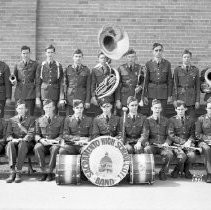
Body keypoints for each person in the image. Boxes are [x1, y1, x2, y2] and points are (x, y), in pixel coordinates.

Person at [141, 99, 173, 180]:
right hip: (153, 145)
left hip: (163, 145)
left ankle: (163, 172)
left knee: (169, 154)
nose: (157, 110)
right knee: (147, 149)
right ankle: (151, 171)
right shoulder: (147, 120)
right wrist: (146, 142)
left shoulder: (166, 120)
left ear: (161, 109)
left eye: (159, 108)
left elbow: (169, 135)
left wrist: (167, 143)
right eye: (155, 108)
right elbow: (145, 134)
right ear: (152, 108)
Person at [5, 100, 35, 183]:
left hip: (27, 143)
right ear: (16, 109)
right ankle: (12, 171)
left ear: (26, 110)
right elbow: (8, 134)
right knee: (10, 144)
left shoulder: (31, 119)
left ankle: (18, 171)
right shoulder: (12, 120)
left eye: (23, 108)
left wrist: (24, 139)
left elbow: (31, 133)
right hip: (15, 142)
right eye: (19, 108)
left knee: (22, 144)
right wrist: (12, 139)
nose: (21, 110)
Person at [34, 99, 64, 181]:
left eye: (50, 107)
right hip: (43, 142)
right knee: (37, 147)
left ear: (54, 108)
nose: (48, 109)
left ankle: (50, 172)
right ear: (44, 108)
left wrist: (56, 140)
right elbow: (36, 134)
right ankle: (43, 172)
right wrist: (41, 140)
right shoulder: (39, 119)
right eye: (46, 107)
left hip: (54, 142)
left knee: (55, 149)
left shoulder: (60, 119)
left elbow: (62, 134)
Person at [168, 100, 196, 179]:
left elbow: (193, 134)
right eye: (179, 109)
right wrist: (183, 142)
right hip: (176, 144)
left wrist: (189, 141)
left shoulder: (191, 120)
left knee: (192, 156)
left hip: (188, 144)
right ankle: (176, 170)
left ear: (186, 109)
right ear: (175, 110)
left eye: (182, 109)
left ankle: (186, 170)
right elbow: (171, 135)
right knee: (182, 156)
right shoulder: (172, 120)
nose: (180, 111)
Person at [144, 43, 173, 116]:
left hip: (163, 92)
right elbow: (145, 81)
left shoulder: (167, 63)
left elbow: (169, 80)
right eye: (156, 50)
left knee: (162, 114)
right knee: (151, 114)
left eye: (160, 50)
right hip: (152, 92)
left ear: (162, 51)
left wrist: (169, 95)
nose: (158, 52)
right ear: (153, 52)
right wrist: (145, 95)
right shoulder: (148, 64)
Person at [115, 49, 145, 115]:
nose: (131, 59)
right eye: (129, 57)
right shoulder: (121, 68)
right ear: (126, 57)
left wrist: (140, 87)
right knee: (124, 118)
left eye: (133, 57)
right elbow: (117, 85)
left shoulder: (140, 68)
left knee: (136, 117)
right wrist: (118, 100)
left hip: (136, 96)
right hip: (124, 97)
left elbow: (144, 81)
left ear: (135, 58)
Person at [36, 44, 64, 114]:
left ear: (54, 53)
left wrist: (61, 98)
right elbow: (38, 82)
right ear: (46, 53)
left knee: (54, 114)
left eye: (51, 52)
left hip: (55, 94)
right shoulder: (41, 66)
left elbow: (61, 82)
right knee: (44, 114)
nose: (50, 54)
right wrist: (37, 97)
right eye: (48, 52)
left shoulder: (58, 65)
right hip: (44, 94)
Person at [173, 49, 200, 119]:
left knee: (191, 119)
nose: (186, 59)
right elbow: (174, 86)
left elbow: (197, 87)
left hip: (191, 99)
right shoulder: (177, 70)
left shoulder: (195, 70)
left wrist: (197, 101)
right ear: (182, 58)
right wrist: (174, 99)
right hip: (180, 97)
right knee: (180, 119)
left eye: (188, 57)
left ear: (190, 58)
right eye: (185, 57)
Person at [63, 49, 91, 115]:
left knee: (82, 119)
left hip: (82, 98)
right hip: (70, 98)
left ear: (82, 58)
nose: (78, 58)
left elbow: (88, 86)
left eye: (79, 56)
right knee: (70, 119)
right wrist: (63, 98)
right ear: (73, 57)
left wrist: (87, 101)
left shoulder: (86, 70)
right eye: (76, 56)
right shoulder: (68, 69)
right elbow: (64, 84)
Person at [13, 46, 39, 116]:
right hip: (19, 92)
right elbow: (13, 78)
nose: (25, 55)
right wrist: (13, 82)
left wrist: (37, 96)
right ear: (21, 54)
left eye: (27, 53)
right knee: (18, 114)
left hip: (30, 93)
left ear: (30, 53)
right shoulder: (17, 64)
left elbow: (37, 81)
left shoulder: (35, 64)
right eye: (24, 53)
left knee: (30, 114)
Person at [91, 51, 114, 116]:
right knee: (98, 116)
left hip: (109, 97)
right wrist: (93, 97)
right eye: (101, 58)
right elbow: (93, 84)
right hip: (99, 97)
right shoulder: (94, 70)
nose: (103, 60)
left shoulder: (111, 69)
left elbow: (114, 84)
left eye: (104, 58)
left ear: (106, 59)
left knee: (109, 116)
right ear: (98, 59)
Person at [195, 97, 211, 183]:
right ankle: (209, 174)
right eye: (209, 108)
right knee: (207, 149)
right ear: (206, 109)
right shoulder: (201, 119)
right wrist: (208, 139)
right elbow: (197, 134)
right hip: (203, 141)